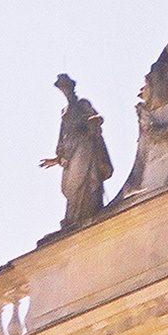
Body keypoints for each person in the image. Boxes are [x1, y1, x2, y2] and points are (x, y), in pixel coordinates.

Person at [41, 74, 112, 231]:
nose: (64, 91)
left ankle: (87, 213)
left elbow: (97, 117)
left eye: (65, 87)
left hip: (84, 146)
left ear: (71, 88)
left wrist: (94, 122)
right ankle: (73, 218)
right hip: (71, 152)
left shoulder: (82, 104)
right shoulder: (64, 111)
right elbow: (63, 135)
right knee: (72, 186)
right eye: (62, 89)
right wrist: (57, 158)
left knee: (85, 180)